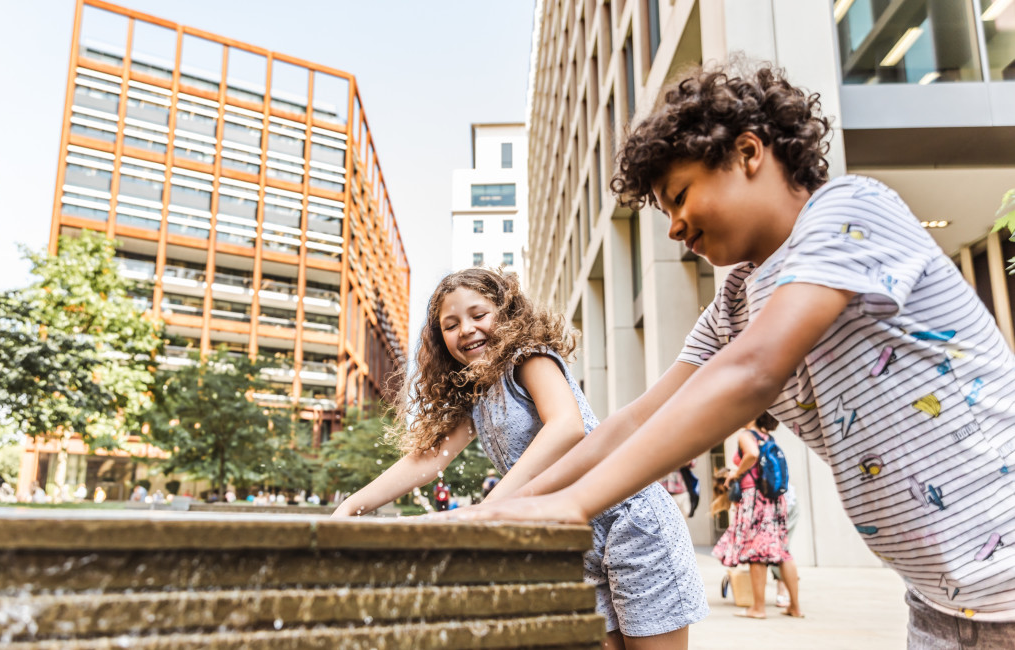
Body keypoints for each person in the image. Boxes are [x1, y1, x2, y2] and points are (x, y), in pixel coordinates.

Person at [445, 61, 1015, 644]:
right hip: (946, 604)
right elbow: (636, 419)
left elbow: (754, 371)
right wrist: (503, 507)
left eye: (680, 197)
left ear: (748, 152)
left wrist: (573, 506)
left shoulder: (849, 209)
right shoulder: (735, 301)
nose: (672, 227)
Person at [332, 268, 707, 649]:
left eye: (478, 315)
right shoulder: (475, 394)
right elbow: (429, 459)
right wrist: (351, 507)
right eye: (451, 324)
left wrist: (490, 508)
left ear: (507, 312)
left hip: (630, 520)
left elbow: (565, 427)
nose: (466, 329)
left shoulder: (528, 358)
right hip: (573, 540)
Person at [712, 413, 802, 619]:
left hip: (755, 497)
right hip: (775, 499)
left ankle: (758, 608)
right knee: (783, 552)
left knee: (756, 552)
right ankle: (795, 607)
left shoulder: (747, 435)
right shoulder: (769, 437)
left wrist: (735, 474)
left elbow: (751, 454)